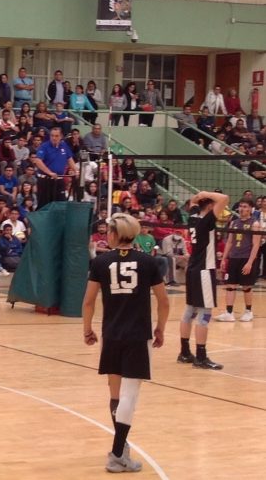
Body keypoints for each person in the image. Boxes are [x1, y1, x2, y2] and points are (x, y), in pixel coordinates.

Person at [82, 213, 168, 474]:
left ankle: (121, 450)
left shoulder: (101, 262)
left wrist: (87, 329)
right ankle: (118, 453)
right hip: (137, 336)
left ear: (115, 234)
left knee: (116, 395)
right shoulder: (148, 262)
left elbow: (88, 301)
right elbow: (164, 301)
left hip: (112, 334)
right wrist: (160, 328)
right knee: (130, 395)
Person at [179, 190, 229, 370]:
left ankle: (184, 353)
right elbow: (223, 198)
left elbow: (193, 201)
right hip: (204, 272)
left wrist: (199, 197)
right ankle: (201, 357)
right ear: (209, 206)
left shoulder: (193, 217)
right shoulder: (206, 221)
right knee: (205, 314)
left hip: (192, 269)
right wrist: (204, 193)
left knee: (189, 311)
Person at [215, 198, 262, 322]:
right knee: (230, 286)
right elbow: (229, 242)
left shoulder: (255, 224)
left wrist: (250, 263)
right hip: (234, 258)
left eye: (245, 206)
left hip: (246, 258)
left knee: (246, 286)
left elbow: (256, 245)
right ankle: (229, 313)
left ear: (251, 209)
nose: (242, 209)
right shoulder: (233, 223)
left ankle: (248, 311)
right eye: (241, 206)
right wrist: (224, 259)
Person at [33, 127, 76, 207]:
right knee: (44, 205)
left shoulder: (64, 145)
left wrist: (76, 170)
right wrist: (49, 172)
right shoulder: (44, 146)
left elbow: (69, 158)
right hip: (46, 180)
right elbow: (38, 161)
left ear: (61, 136)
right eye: (52, 136)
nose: (54, 138)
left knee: (61, 205)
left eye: (56, 136)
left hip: (59, 179)